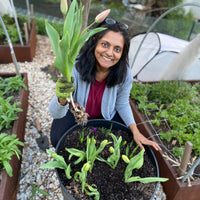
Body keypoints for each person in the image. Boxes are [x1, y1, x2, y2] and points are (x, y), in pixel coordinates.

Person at [49, 17, 161, 151]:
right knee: (57, 139)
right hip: (77, 114)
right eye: (105, 44)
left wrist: (135, 130)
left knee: (123, 143)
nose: (109, 53)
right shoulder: (74, 65)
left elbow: (122, 102)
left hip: (105, 115)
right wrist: (61, 99)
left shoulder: (125, 73)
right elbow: (55, 113)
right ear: (95, 41)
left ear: (122, 52)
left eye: (117, 49)